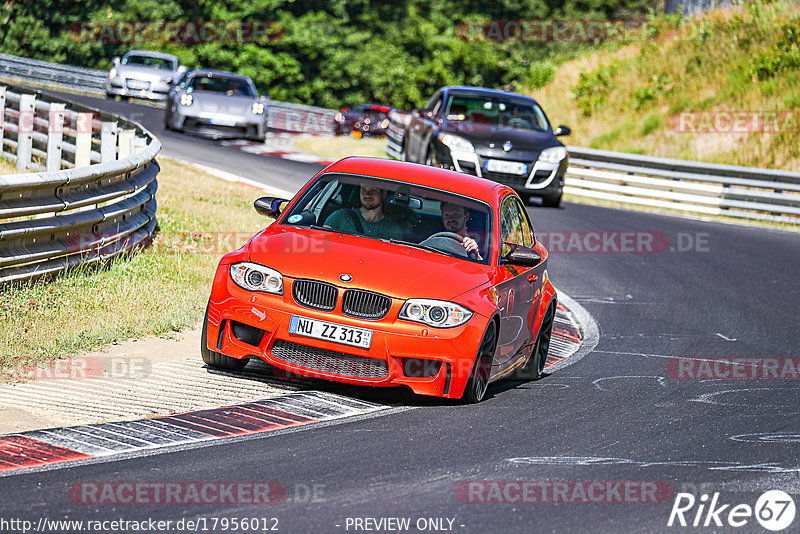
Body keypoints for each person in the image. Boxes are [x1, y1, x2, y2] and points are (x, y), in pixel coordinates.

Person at [324, 184, 405, 239]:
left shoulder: (393, 230)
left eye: (373, 190)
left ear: (384, 193)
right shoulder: (339, 216)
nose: (367, 195)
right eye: (363, 190)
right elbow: (320, 246)